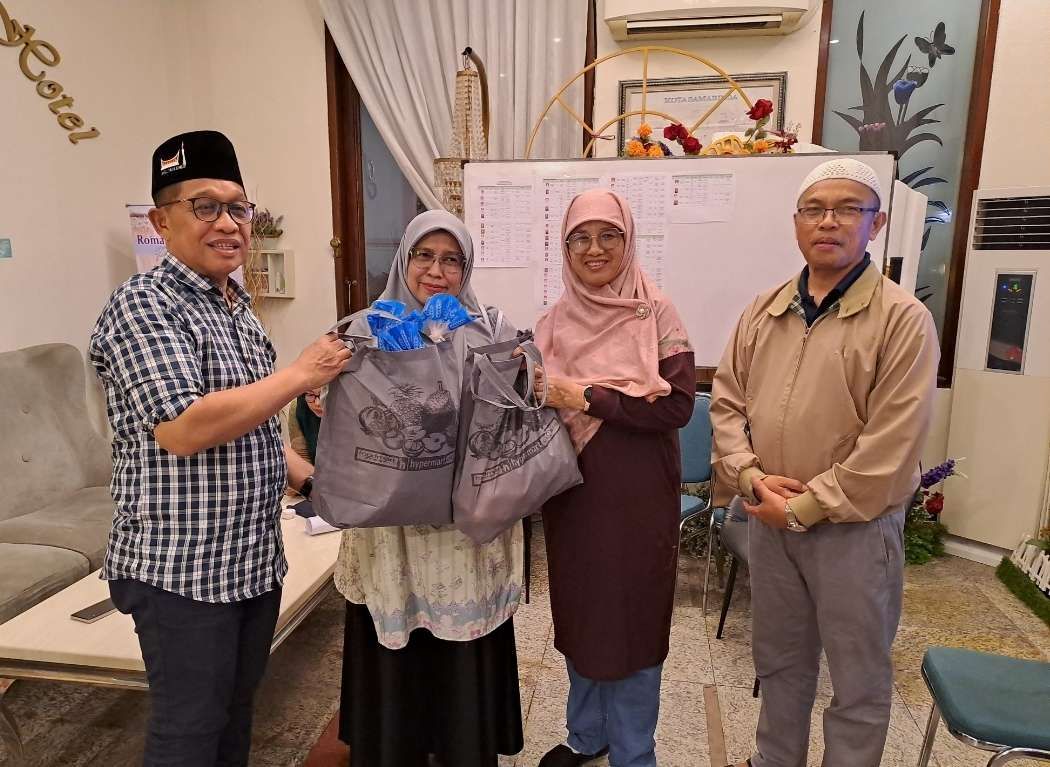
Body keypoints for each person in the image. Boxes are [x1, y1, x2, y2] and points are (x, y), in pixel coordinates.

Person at [89, 130, 350, 767]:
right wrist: (301, 372)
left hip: (251, 560)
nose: (228, 224)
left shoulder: (237, 309)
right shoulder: (143, 305)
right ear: (161, 221)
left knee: (235, 716)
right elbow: (184, 428)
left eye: (238, 207)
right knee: (188, 730)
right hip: (181, 571)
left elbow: (256, 428)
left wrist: (312, 481)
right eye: (205, 206)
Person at [710, 158, 939, 767]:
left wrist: (806, 508)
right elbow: (728, 403)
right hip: (769, 520)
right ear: (796, 223)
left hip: (854, 531)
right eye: (814, 210)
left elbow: (893, 441)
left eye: (847, 209)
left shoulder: (901, 319)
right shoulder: (764, 311)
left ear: (876, 223)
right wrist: (751, 478)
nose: (828, 222)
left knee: (857, 678)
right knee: (779, 662)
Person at [335, 209, 525, 767]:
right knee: (397, 639)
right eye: (424, 256)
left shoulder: (489, 330)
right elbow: (337, 419)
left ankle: (461, 747)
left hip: (463, 534)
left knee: (460, 647)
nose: (436, 271)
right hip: (390, 531)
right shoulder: (364, 329)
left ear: (466, 268)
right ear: (404, 259)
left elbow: (512, 420)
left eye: (451, 260)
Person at [533, 189, 695, 767]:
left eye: (609, 236)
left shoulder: (656, 313)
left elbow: (675, 407)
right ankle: (587, 735)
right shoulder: (552, 323)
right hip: (572, 496)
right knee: (582, 613)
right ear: (565, 248)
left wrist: (586, 396)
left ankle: (633, 752)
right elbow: (532, 408)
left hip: (638, 497)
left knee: (633, 618)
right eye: (580, 238)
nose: (594, 249)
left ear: (628, 242)